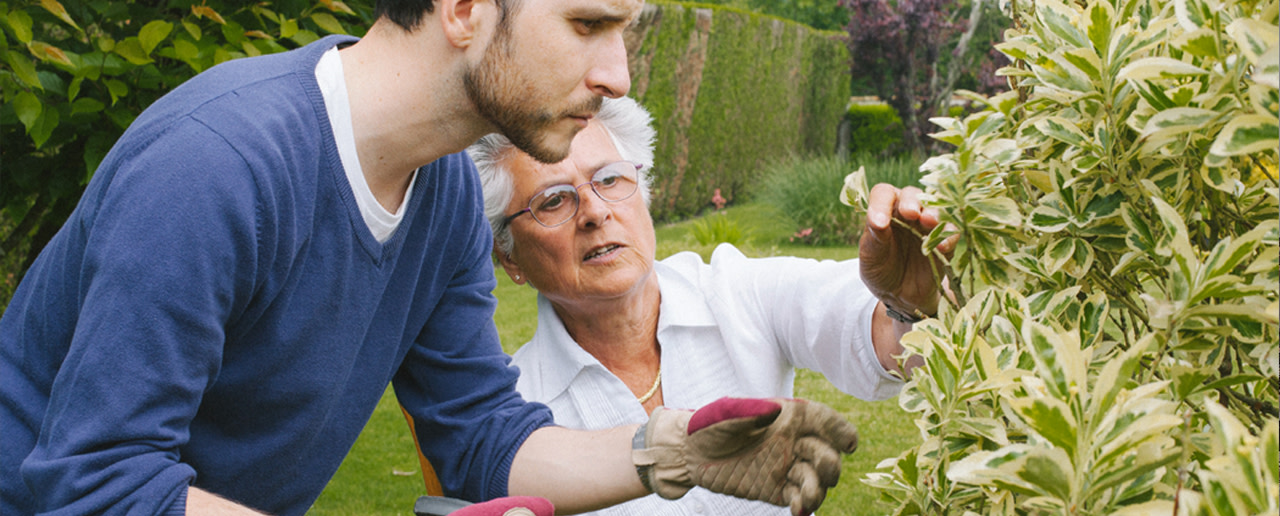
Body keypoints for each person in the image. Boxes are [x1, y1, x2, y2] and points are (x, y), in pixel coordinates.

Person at [0, 1, 865, 515]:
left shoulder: (446, 191)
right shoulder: (218, 166)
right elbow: (96, 486)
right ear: (460, 9)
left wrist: (663, 456)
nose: (620, 75)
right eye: (589, 23)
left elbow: (479, 433)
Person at [469, 96, 945, 515]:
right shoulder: (516, 416)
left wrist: (907, 307)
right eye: (553, 201)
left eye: (610, 179)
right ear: (509, 257)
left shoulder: (734, 290)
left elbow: (877, 338)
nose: (595, 212)